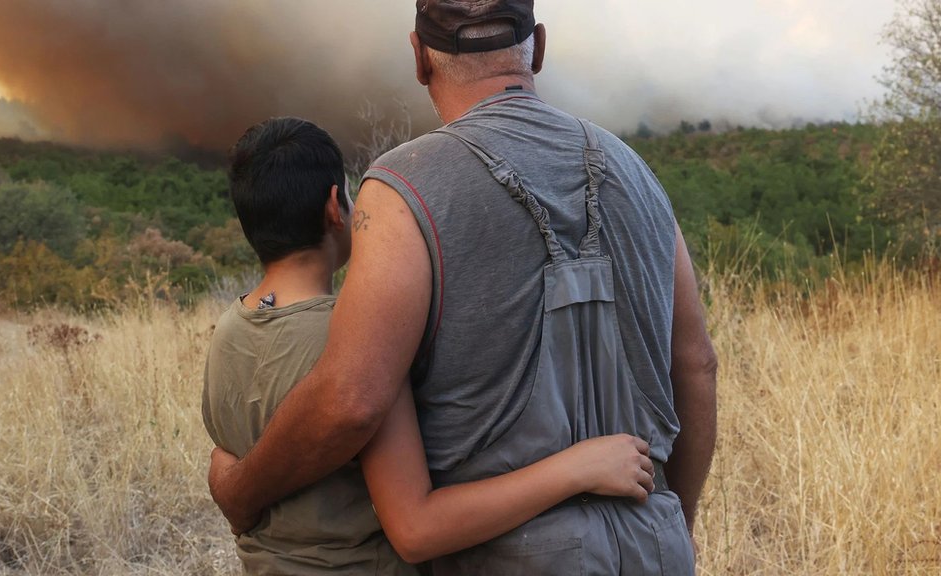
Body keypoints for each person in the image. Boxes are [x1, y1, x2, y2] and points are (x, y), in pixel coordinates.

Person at [210, 0, 718, 572]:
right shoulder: (639, 173)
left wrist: (240, 491)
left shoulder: (402, 188)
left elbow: (353, 401)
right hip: (658, 539)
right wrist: (677, 522)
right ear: (540, 48)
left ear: (420, 57)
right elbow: (695, 362)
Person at [203, 117, 663, 574]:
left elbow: (231, 458)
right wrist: (578, 469)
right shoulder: (357, 341)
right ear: (333, 207)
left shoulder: (227, 332)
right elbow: (418, 527)